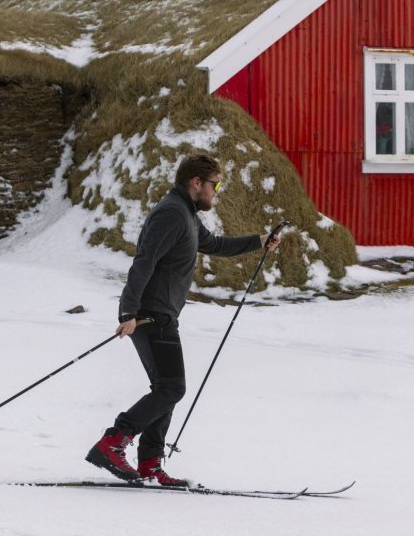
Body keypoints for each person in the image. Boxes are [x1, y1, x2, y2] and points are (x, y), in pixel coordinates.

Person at [86, 154, 281, 486]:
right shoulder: (171, 214)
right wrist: (129, 312)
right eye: (215, 184)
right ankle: (113, 442)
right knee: (172, 387)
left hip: (162, 314)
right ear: (197, 183)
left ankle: (149, 463)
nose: (216, 192)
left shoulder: (186, 214)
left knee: (167, 389)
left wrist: (260, 241)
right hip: (150, 315)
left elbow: (214, 245)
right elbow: (144, 261)